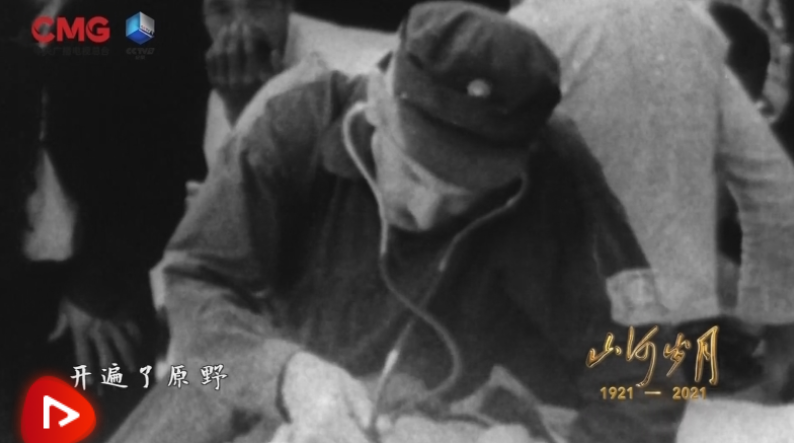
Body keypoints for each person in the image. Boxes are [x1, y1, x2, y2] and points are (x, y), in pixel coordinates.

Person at [108, 3, 685, 443]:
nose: (427, 212)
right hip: (260, 385)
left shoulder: (555, 168)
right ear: (375, 109)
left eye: (463, 196)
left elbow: (653, 375)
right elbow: (195, 281)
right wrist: (285, 375)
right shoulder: (296, 123)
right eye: (410, 172)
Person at [510, 0, 794, 400]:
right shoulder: (690, 30)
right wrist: (770, 328)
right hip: (679, 341)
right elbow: (775, 189)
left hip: (565, 340)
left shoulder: (524, 35)